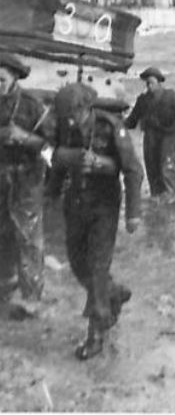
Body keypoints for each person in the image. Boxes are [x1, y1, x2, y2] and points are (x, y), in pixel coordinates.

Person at [49, 82, 143, 360]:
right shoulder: (66, 125)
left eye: (74, 114)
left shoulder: (111, 127)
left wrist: (133, 213)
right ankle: (113, 293)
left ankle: (97, 334)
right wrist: (52, 192)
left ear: (87, 108)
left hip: (104, 205)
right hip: (75, 203)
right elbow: (58, 161)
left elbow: (132, 170)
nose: (69, 120)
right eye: (65, 115)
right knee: (78, 264)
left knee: (98, 268)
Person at [0, 52, 52, 319]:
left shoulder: (32, 106)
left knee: (29, 236)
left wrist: (23, 138)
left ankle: (32, 296)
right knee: (2, 231)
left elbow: (51, 145)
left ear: (14, 78)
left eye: (0, 79)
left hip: (27, 178)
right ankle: (6, 285)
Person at [125, 67, 175, 197]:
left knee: (167, 167)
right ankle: (157, 197)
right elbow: (132, 120)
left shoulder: (170, 96)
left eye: (151, 83)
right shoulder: (142, 100)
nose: (149, 86)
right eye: (147, 83)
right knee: (152, 170)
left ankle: (173, 196)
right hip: (150, 137)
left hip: (168, 136)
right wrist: (118, 123)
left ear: (159, 82)